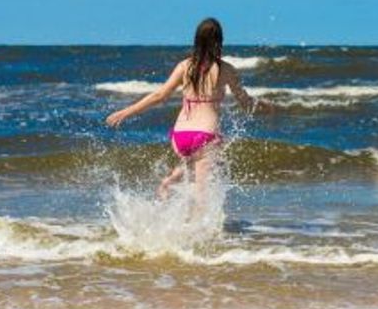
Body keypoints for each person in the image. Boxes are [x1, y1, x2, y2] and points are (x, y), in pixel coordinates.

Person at [105, 17, 271, 200]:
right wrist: (266, 107)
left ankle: (167, 183)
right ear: (220, 41)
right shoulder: (227, 70)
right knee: (202, 194)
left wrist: (125, 112)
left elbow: (159, 95)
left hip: (180, 137)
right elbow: (245, 102)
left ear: (197, 40)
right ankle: (199, 227)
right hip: (206, 136)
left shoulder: (185, 66)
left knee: (192, 160)